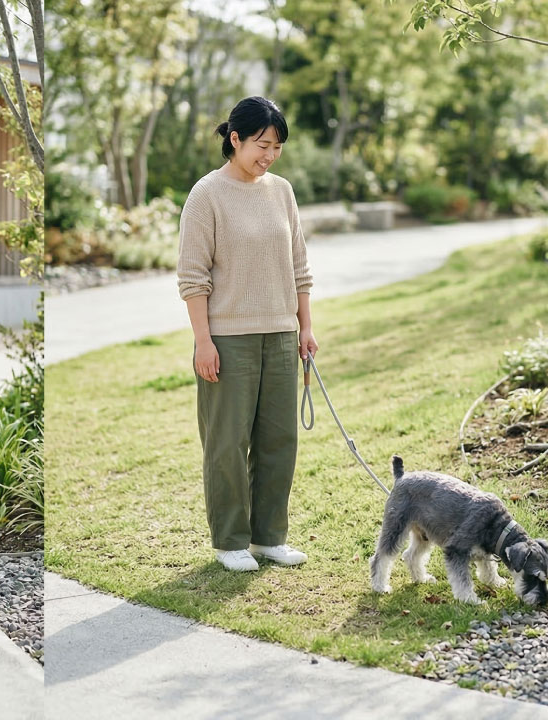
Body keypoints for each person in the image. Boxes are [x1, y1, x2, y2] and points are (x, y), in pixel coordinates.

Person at [176, 96, 318, 573]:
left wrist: (305, 326)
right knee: (227, 444)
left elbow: (299, 266)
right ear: (234, 139)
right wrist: (204, 341)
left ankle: (269, 537)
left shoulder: (282, 191)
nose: (269, 155)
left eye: (277, 147)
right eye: (262, 145)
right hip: (228, 340)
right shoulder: (206, 195)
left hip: (281, 335)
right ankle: (231, 541)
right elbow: (193, 277)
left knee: (279, 440)